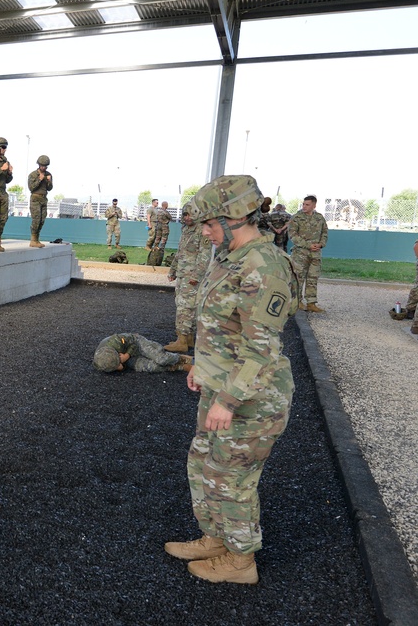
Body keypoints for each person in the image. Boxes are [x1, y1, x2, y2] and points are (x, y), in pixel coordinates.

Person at [165, 174, 298, 585]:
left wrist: (229, 399)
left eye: (211, 223)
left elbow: (261, 349)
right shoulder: (229, 257)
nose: (204, 231)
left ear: (239, 217)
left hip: (251, 398)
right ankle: (216, 538)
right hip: (220, 387)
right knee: (202, 463)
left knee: (232, 478)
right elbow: (220, 328)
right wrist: (201, 368)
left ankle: (241, 562)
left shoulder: (265, 264)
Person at [165, 202, 211, 352]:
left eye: (190, 214)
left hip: (192, 277)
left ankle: (182, 341)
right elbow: (180, 252)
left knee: (185, 307)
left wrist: (197, 276)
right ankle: (189, 338)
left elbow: (205, 256)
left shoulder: (202, 231)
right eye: (185, 215)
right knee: (184, 305)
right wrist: (172, 271)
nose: (187, 218)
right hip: (182, 275)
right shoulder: (186, 230)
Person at [289, 194, 328, 312]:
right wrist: (308, 245)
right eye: (303, 204)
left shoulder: (320, 218)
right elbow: (292, 235)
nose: (304, 206)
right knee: (298, 278)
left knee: (313, 278)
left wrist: (321, 244)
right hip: (300, 253)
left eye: (307, 204)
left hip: (315, 254)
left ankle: (311, 303)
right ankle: (297, 302)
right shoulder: (296, 217)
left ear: (314, 205)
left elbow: (325, 233)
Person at [92, 333, 192, 373]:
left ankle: (182, 358)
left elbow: (133, 343)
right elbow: (120, 367)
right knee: (151, 367)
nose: (119, 366)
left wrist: (127, 355)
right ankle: (180, 367)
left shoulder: (116, 341)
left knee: (161, 359)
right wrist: (120, 364)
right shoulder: (101, 363)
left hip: (136, 343)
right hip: (126, 357)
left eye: (118, 362)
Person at [27, 155, 53, 248]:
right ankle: (33, 240)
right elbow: (31, 187)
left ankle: (37, 239)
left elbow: (49, 188)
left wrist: (49, 181)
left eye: (45, 166)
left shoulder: (48, 174)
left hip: (43, 198)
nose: (44, 167)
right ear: (39, 165)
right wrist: (39, 179)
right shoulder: (33, 175)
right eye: (42, 165)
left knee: (42, 220)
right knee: (36, 219)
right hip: (35, 198)